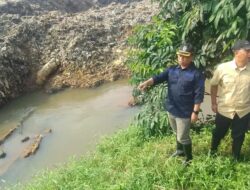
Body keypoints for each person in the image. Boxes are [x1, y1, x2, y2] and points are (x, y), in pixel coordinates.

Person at [138, 43, 205, 165]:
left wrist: (195, 112)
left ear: (191, 57)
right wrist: (146, 83)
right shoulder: (172, 69)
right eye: (180, 56)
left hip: (185, 112)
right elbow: (158, 78)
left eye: (185, 57)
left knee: (183, 137)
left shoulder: (196, 74)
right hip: (171, 108)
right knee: (176, 133)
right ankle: (180, 151)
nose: (182, 59)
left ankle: (189, 159)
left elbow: (199, 95)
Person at [210, 39, 250, 160]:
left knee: (239, 136)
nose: (249, 53)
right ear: (236, 52)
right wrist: (213, 103)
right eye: (247, 51)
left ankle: (235, 158)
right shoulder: (222, 68)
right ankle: (212, 152)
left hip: (243, 110)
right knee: (218, 133)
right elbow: (213, 84)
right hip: (224, 109)